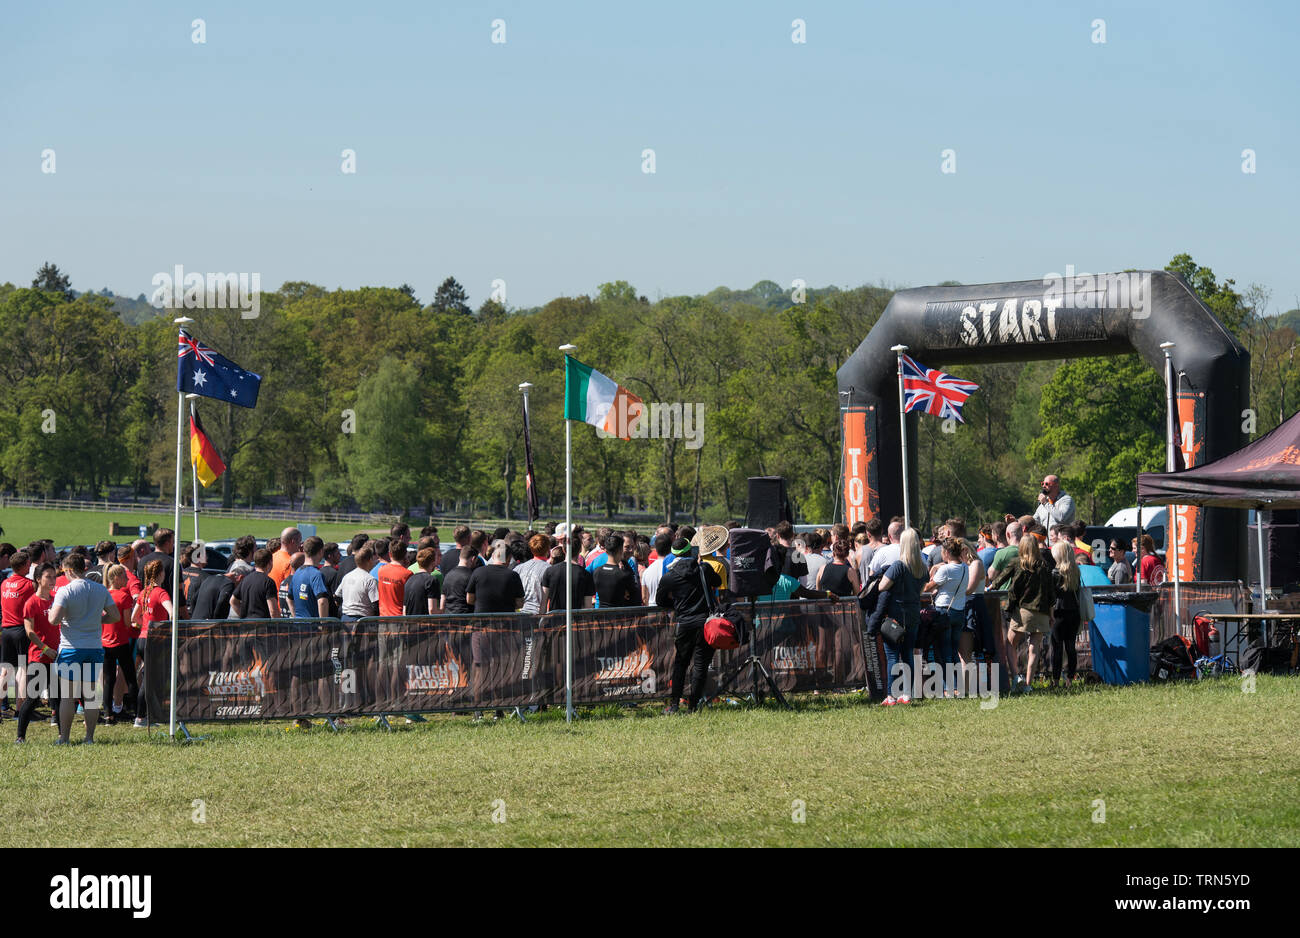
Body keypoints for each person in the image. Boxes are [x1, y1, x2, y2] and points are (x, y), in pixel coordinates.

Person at [47, 552, 120, 744]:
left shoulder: (65, 590)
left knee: (68, 697)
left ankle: (64, 738)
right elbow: (115, 616)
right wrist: (97, 619)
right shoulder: (100, 589)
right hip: (94, 647)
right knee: (90, 696)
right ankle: (89, 738)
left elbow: (53, 619)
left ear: (68, 570)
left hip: (71, 648)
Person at [655, 539, 723, 714]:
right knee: (701, 665)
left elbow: (660, 600)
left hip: (685, 623)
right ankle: (693, 706)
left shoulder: (670, 576)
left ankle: (675, 704)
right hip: (706, 623)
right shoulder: (704, 569)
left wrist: (677, 604)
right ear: (690, 552)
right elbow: (717, 581)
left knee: (680, 664)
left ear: (674, 554)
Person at [865, 528, 926, 706]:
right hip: (913, 616)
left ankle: (891, 696)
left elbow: (882, 587)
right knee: (908, 655)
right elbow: (921, 591)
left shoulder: (898, 566)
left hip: (895, 617)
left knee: (892, 656)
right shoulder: (923, 567)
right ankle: (907, 694)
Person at [1005, 535, 1056, 692]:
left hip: (1023, 611)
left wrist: (1009, 607)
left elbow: (1013, 591)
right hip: (1042, 612)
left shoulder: (1019, 564)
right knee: (1034, 648)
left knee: (1009, 644)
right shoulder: (1045, 566)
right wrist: (1051, 614)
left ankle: (1015, 678)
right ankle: (1027, 684)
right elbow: (1051, 595)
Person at [16, 563, 59, 741]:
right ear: (38, 579)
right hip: (39, 658)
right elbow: (29, 632)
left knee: (59, 698)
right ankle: (20, 737)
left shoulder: (56, 599)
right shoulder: (31, 603)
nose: (52, 580)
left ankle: (62, 736)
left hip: (58, 656)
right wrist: (46, 649)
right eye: (48, 577)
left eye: (54, 576)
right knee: (32, 699)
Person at [923, 537, 968, 698]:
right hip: (959, 612)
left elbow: (927, 587)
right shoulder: (964, 568)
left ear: (947, 553)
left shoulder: (945, 570)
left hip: (944, 612)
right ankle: (957, 687)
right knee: (954, 652)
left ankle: (949, 688)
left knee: (943, 653)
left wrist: (934, 568)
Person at [132, 559, 173, 728]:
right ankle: (141, 718)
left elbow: (134, 617)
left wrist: (145, 624)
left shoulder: (144, 593)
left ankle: (147, 715)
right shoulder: (160, 593)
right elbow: (172, 612)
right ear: (160, 574)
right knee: (150, 680)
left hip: (142, 639)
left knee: (146, 678)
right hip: (155, 639)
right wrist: (168, 628)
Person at [101, 564, 139, 723]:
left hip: (105, 642)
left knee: (108, 679)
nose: (127, 579)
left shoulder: (103, 595)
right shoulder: (123, 597)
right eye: (124, 576)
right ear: (116, 578)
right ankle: (138, 711)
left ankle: (108, 712)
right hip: (121, 642)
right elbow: (126, 623)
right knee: (131, 678)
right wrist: (137, 628)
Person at [1, 549, 36, 716]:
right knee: (23, 669)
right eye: (28, 563)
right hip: (21, 630)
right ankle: (21, 710)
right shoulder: (28, 585)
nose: (30, 565)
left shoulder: (4, 583)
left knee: (5, 670)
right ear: (23, 565)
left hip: (6, 630)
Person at [1048, 541, 1083, 689]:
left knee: (1057, 648)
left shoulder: (1054, 573)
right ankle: (1070, 679)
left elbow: (1051, 597)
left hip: (1058, 613)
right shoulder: (1076, 571)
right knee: (1070, 647)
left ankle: (1055, 681)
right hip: (1074, 612)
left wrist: (1050, 615)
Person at [135, 528, 185, 617]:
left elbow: (139, 588)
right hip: (166, 615)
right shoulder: (172, 563)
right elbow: (179, 594)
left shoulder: (142, 561)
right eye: (172, 541)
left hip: (146, 613)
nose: (173, 544)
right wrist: (186, 617)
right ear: (167, 543)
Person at [466, 542, 525, 613]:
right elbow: (520, 603)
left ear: (493, 556)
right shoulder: (513, 576)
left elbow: (469, 599)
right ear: (509, 558)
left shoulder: (478, 572)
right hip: (505, 620)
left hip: (481, 620)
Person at [541, 543, 595, 613]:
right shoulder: (586, 574)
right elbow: (588, 606)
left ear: (563, 550)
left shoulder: (550, 571)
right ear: (580, 550)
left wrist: (542, 620)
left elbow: (543, 602)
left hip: (555, 620)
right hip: (576, 620)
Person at [593, 535, 640, 608]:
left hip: (601, 615)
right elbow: (635, 597)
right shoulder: (624, 574)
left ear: (605, 550)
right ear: (620, 550)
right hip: (618, 616)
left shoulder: (597, 571)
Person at [231, 549, 279, 619]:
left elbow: (233, 601)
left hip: (247, 627)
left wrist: (244, 617)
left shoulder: (246, 579)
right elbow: (273, 611)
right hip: (263, 627)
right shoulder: (268, 582)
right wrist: (278, 625)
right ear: (270, 562)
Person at [335, 546, 379, 620]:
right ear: (369, 560)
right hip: (363, 621)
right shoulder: (370, 579)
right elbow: (375, 605)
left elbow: (337, 597)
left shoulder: (347, 576)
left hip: (345, 618)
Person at [291, 537, 331, 618]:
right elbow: (322, 601)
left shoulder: (297, 572)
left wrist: (296, 616)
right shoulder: (316, 574)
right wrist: (324, 624)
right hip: (313, 626)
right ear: (321, 551)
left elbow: (289, 598)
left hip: (298, 626)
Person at [514, 534, 551, 614]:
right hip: (538, 613)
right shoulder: (550, 570)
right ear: (548, 549)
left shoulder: (519, 568)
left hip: (520, 612)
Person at [376, 544, 413, 617]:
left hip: (383, 617)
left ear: (390, 554)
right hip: (399, 618)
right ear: (405, 555)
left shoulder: (381, 570)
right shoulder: (407, 574)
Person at [404, 547, 442, 615]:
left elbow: (404, 611)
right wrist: (443, 611)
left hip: (410, 623)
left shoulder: (410, 579)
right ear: (432, 563)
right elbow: (432, 610)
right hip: (425, 624)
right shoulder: (431, 580)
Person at [442, 545, 478, 614]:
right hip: (465, 618)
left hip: (448, 617)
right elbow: (470, 599)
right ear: (473, 559)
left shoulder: (448, 575)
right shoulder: (471, 576)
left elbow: (443, 600)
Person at [640, 532, 674, 605]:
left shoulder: (646, 571)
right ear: (671, 548)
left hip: (651, 610)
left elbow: (644, 597)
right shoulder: (672, 569)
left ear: (655, 548)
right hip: (668, 610)